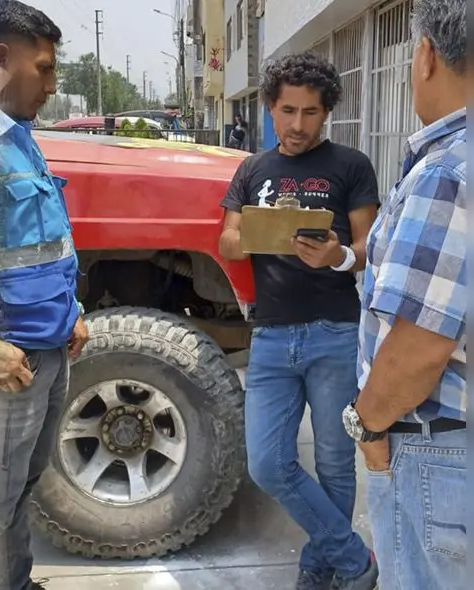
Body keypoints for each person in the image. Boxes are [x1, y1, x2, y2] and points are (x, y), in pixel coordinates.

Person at [218, 52, 379, 590]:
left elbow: (368, 248)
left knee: (335, 462)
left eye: (311, 112)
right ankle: (353, 558)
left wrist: (337, 256)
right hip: (270, 335)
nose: (297, 125)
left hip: (334, 330)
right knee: (267, 463)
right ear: (269, 107)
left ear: (326, 112)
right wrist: (264, 234)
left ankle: (320, 566)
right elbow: (227, 241)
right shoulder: (253, 169)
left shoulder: (351, 165)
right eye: (287, 110)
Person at [347, 2, 467, 588]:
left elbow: (420, 345)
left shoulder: (449, 171)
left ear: (426, 57)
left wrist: (366, 426)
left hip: (437, 451)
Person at [0, 2, 89, 588]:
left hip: (48, 349)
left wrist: (76, 311)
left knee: (23, 481)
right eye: (43, 69)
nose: (52, 84)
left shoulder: (21, 137)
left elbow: (48, 240)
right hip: (8, 364)